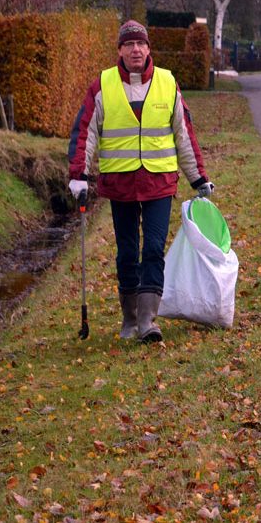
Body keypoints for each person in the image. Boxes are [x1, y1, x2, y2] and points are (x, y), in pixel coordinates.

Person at [67, 20, 213, 343]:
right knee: (127, 252)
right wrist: (79, 175)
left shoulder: (166, 82)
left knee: (153, 249)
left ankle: (148, 320)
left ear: (149, 48)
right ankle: (130, 319)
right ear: (120, 50)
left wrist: (198, 177)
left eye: (141, 44)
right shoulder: (102, 86)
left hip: (159, 182)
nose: (136, 49)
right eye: (129, 44)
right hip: (121, 185)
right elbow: (85, 132)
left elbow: (184, 134)